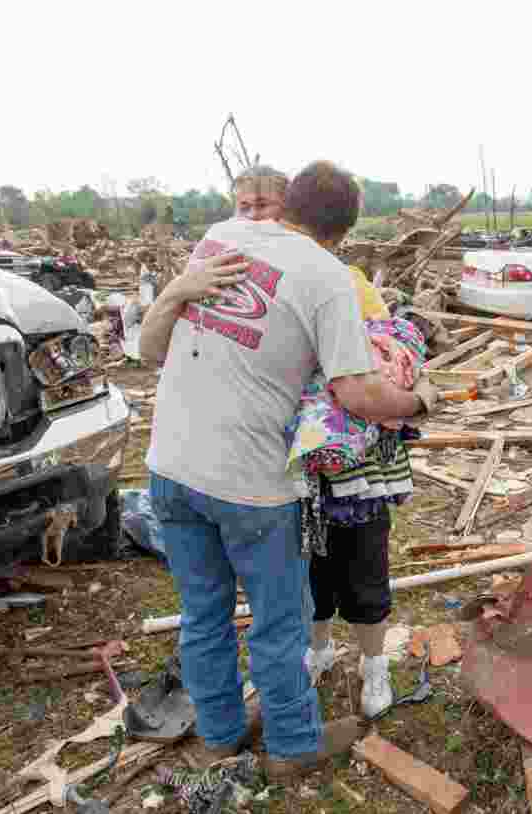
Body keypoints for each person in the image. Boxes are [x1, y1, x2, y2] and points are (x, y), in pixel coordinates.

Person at [139, 161, 438, 780]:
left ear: (285, 204)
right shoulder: (328, 276)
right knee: (280, 622)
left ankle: (220, 734)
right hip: (250, 483)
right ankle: (292, 747)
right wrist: (416, 402)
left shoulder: (219, 239)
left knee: (204, 612)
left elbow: (152, 350)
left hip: (168, 468)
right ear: (344, 232)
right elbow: (356, 393)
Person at [224, 165, 408, 718]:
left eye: (265, 208)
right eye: (248, 208)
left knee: (350, 563)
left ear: (286, 213)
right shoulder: (270, 273)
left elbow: (375, 365)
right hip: (313, 460)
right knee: (323, 565)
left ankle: (367, 665)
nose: (258, 218)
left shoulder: (345, 282)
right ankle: (329, 653)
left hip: (342, 459)